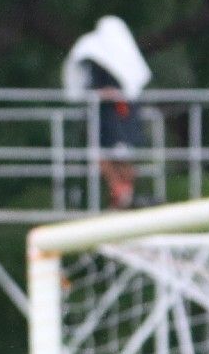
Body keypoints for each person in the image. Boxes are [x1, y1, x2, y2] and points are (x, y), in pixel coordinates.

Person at [64, 16, 152, 210]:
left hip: (123, 115)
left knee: (125, 155)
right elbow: (83, 85)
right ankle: (119, 192)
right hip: (105, 117)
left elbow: (132, 86)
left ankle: (123, 193)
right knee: (102, 154)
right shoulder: (93, 54)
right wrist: (100, 95)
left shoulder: (123, 57)